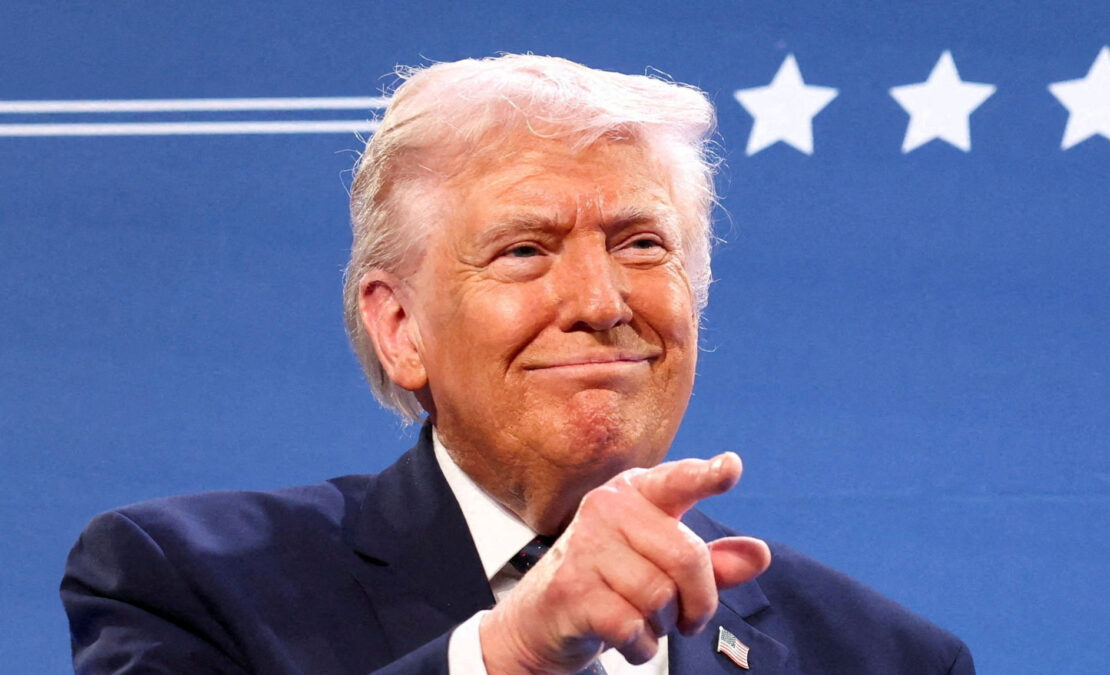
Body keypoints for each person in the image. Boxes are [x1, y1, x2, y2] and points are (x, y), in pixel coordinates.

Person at [62, 54, 974, 674]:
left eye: (643, 243)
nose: (601, 300)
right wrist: (510, 652)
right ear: (400, 328)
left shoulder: (878, 655)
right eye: (525, 250)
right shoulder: (187, 583)